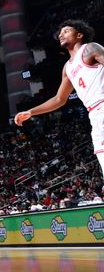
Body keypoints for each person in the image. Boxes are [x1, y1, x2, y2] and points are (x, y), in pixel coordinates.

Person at [15, 20, 104, 177]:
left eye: (66, 31)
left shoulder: (90, 48)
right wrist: (31, 112)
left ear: (79, 35)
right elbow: (59, 99)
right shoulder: (67, 68)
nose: (61, 34)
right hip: (95, 117)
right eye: (60, 32)